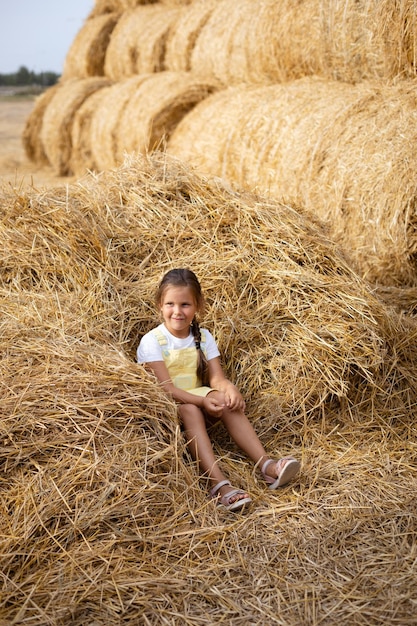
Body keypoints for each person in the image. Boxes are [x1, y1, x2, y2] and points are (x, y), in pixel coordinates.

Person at [137, 268, 300, 512]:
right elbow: (166, 388)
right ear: (160, 305)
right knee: (191, 409)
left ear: (198, 306)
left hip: (198, 398)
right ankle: (219, 485)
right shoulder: (152, 341)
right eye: (170, 304)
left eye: (185, 304)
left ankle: (267, 467)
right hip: (168, 405)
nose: (178, 312)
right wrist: (202, 402)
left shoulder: (202, 336)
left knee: (225, 400)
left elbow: (216, 378)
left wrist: (229, 389)